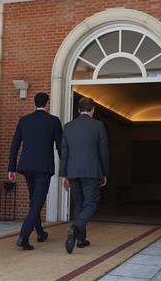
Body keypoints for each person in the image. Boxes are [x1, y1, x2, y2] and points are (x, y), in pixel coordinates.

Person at [8, 92, 62, 250]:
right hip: (43, 168)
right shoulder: (53, 121)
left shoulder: (24, 120)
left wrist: (11, 167)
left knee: (34, 200)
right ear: (47, 104)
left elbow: (14, 145)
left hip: (26, 167)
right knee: (38, 202)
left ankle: (40, 232)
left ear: (35, 103)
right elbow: (60, 147)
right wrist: (66, 168)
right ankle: (23, 236)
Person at [60, 97, 109, 254]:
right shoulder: (98, 125)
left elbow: (64, 153)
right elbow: (104, 151)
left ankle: (81, 240)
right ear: (93, 109)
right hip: (91, 172)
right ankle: (75, 228)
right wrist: (104, 172)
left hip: (73, 172)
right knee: (91, 203)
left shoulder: (68, 127)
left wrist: (64, 175)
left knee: (79, 204)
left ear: (78, 110)